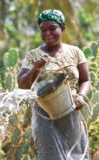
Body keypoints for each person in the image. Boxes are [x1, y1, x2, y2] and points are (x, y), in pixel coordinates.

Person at [18, 9, 91, 160]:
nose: (47, 34)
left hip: (71, 109)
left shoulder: (75, 52)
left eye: (52, 28)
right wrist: (36, 68)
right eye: (43, 30)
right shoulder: (33, 56)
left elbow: (85, 80)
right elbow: (22, 84)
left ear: (62, 28)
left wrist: (81, 97)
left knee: (78, 155)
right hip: (44, 115)